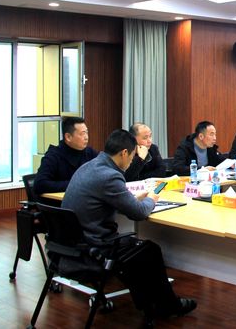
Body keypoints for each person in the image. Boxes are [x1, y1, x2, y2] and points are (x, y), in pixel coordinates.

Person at [62, 129, 196, 321]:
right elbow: (139, 213)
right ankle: (166, 306)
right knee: (149, 250)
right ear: (124, 153)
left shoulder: (89, 167)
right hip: (94, 248)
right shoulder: (109, 176)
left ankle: (151, 304)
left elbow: (106, 200)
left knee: (140, 250)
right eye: (133, 156)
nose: (132, 161)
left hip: (70, 246)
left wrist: (132, 199)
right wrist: (151, 199)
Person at [34, 116, 98, 196]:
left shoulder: (89, 153)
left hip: (84, 198)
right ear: (68, 137)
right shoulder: (53, 156)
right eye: (82, 134)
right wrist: (76, 184)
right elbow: (40, 184)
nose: (86, 137)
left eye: (86, 132)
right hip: (60, 202)